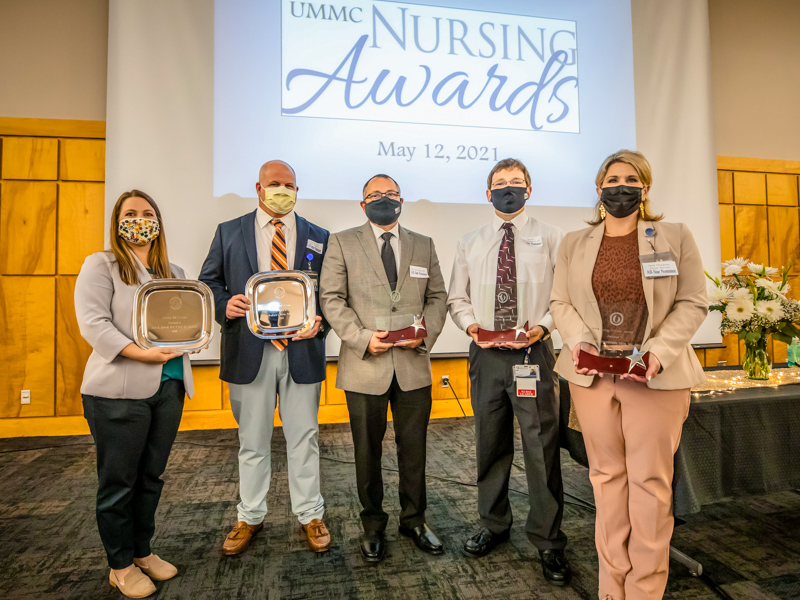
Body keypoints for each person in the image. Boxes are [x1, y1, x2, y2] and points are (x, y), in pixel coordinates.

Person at [550, 149, 707, 600]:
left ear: (646, 188)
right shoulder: (574, 244)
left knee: (651, 485)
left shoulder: (674, 236)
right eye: (612, 178)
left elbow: (693, 301)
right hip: (592, 378)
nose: (621, 186)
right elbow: (561, 301)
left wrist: (658, 351)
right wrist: (578, 340)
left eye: (631, 179)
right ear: (598, 188)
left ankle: (644, 590)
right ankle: (611, 588)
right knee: (606, 481)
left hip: (654, 377)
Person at [447, 158, 571, 586]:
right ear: (488, 193)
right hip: (485, 356)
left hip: (533, 355)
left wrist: (543, 327)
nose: (508, 189)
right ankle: (494, 524)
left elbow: (563, 297)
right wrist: (471, 327)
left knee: (542, 448)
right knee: (490, 443)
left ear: (529, 191)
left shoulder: (553, 237)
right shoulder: (470, 240)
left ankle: (548, 539)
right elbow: (456, 299)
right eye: (500, 184)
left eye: (516, 183)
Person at [199, 160, 332, 555]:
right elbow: (209, 283)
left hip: (301, 351)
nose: (282, 190)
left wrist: (320, 321)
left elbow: (331, 292)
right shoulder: (229, 231)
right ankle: (250, 516)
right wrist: (227, 303)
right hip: (249, 350)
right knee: (251, 441)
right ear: (258, 187)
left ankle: (310, 513)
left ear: (297, 190)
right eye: (275, 184)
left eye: (289, 185)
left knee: (304, 438)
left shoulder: (319, 236)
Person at [319, 174, 447, 563]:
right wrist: (361, 338)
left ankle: (415, 520)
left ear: (402, 200)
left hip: (413, 365)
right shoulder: (342, 242)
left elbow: (438, 296)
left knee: (414, 451)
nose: (383, 200)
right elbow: (332, 298)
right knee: (366, 452)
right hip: (364, 365)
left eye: (390, 194)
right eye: (374, 195)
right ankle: (372, 525)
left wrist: (424, 332)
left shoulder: (423, 245)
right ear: (362, 205)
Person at [75, 190, 197, 598]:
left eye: (147, 213)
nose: (139, 219)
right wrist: (140, 353)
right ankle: (120, 565)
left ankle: (142, 552)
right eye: (131, 213)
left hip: (170, 386)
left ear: (158, 223)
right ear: (117, 221)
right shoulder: (102, 265)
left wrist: (196, 336)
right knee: (118, 482)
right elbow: (94, 324)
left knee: (150, 477)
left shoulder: (173, 269)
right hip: (118, 392)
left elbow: (181, 323)